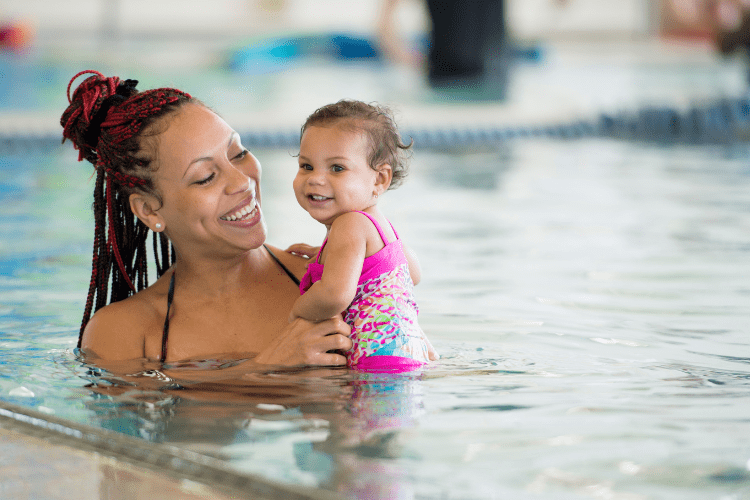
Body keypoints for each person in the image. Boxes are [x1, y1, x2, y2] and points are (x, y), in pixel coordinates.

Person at [60, 70, 352, 369]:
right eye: (206, 177)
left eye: (238, 153)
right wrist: (265, 369)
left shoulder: (335, 284)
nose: (242, 181)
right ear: (150, 210)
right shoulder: (127, 332)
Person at [289, 100, 437, 372]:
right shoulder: (382, 227)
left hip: (376, 366)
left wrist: (295, 313)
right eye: (306, 166)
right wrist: (338, 256)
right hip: (407, 355)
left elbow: (334, 295)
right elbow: (412, 273)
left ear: (380, 179)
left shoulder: (350, 224)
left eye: (337, 168)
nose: (315, 179)